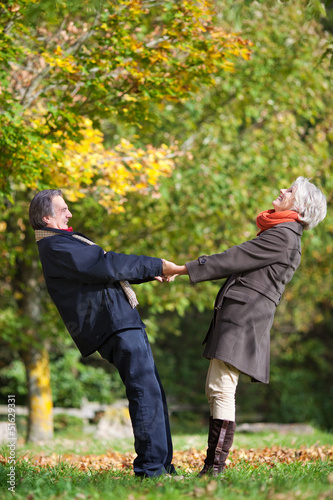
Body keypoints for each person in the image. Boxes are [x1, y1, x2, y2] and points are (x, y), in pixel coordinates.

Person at [164, 177, 327, 477]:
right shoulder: (284, 233)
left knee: (221, 389)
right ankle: (213, 468)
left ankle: (213, 470)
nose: (282, 190)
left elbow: (233, 258)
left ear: (300, 206)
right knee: (217, 388)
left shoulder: (284, 236)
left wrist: (182, 268)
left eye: (290, 191)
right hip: (242, 316)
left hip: (244, 317)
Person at [29, 189, 179, 479]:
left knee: (153, 393)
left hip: (122, 321)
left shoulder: (62, 243)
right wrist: (156, 264)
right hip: (114, 324)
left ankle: (163, 467)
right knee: (144, 394)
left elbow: (107, 269)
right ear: (47, 217)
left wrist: (151, 272)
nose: (70, 214)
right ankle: (151, 471)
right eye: (63, 210)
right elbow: (106, 264)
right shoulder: (57, 247)